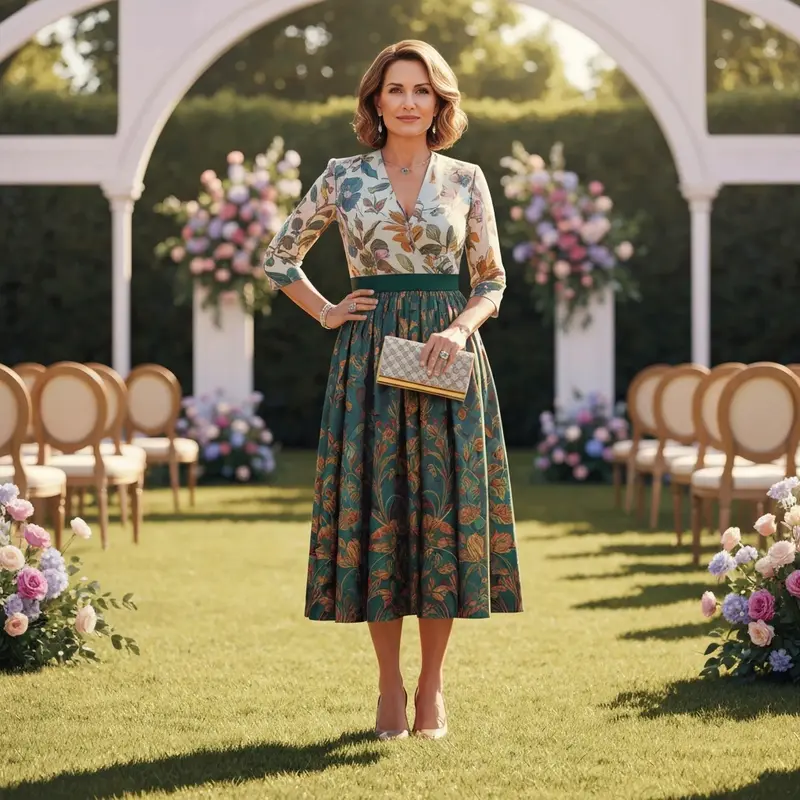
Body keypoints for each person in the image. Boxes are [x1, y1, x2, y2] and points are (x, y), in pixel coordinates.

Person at [262, 39, 523, 741]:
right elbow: (278, 256)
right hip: (368, 360)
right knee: (380, 520)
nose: (409, 101)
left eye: (422, 91)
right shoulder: (343, 177)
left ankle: (432, 688)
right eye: (396, 89)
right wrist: (325, 310)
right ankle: (387, 687)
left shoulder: (466, 178)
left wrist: (462, 329)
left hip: (444, 358)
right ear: (375, 101)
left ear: (441, 103)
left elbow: (491, 280)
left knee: (441, 525)